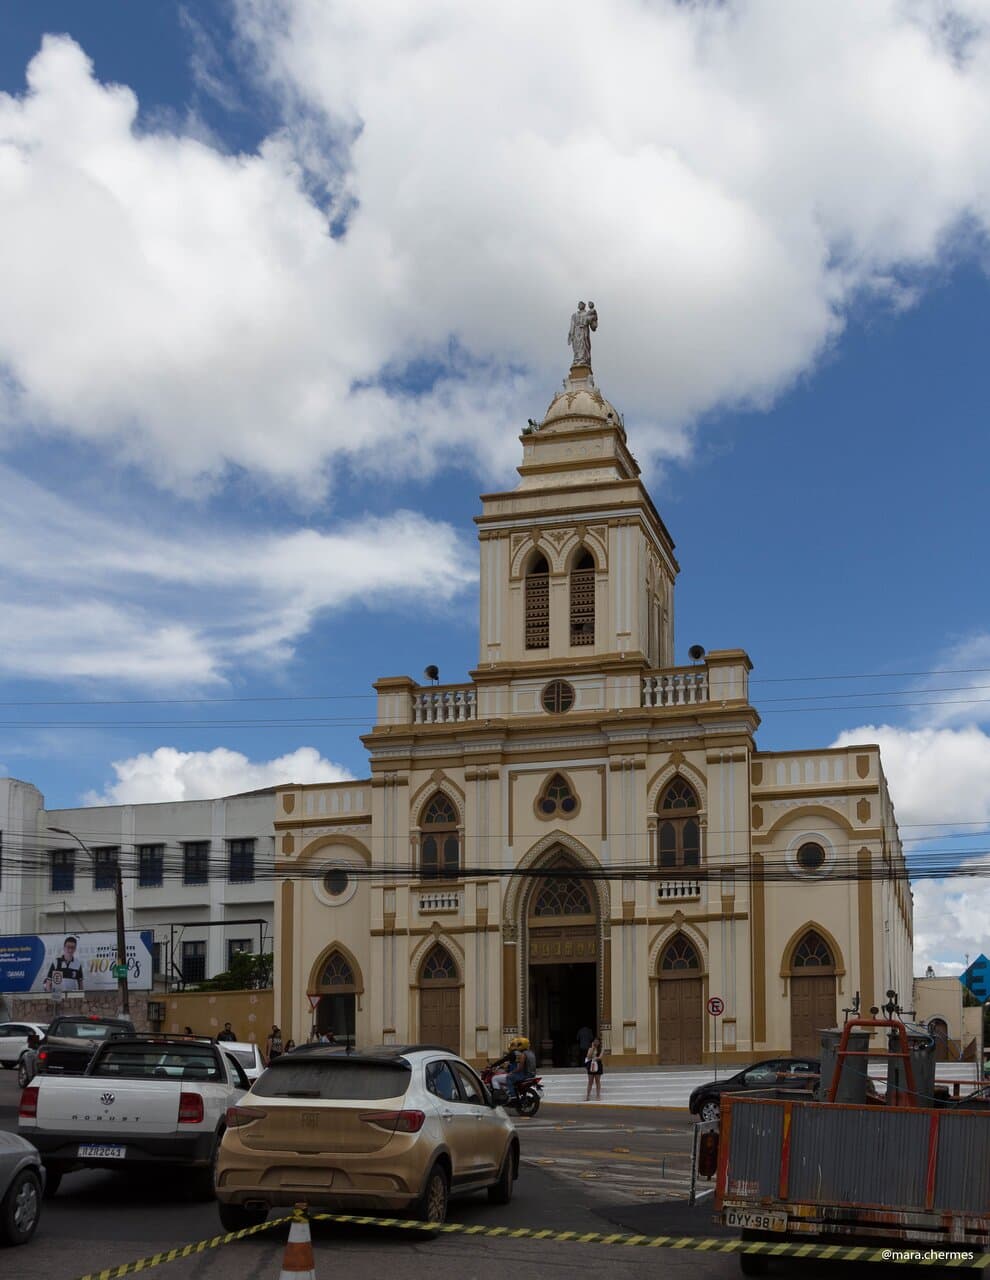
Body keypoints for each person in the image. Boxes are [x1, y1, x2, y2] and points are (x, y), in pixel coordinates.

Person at [585, 1036, 604, 1101]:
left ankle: (598, 1096)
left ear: (599, 1042)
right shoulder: (590, 1049)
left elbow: (600, 1057)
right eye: (595, 1041)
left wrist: (596, 1058)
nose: (596, 1042)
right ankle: (587, 1096)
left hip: (598, 1065)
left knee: (597, 1081)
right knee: (590, 1081)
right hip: (590, 1065)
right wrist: (593, 1048)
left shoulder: (601, 1049)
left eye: (597, 1041)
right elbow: (588, 1056)